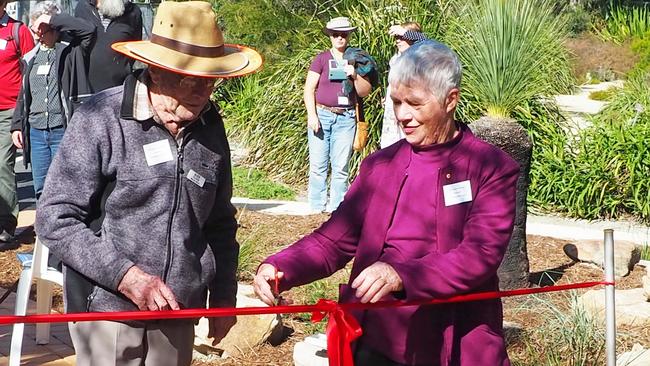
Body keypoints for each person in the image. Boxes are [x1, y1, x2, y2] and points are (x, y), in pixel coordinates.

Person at [254, 40, 519, 366]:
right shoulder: (380, 166)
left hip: (456, 341)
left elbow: (479, 255)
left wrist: (402, 275)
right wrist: (280, 267)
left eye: (415, 104)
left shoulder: (490, 167)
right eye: (396, 102)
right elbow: (334, 240)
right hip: (376, 341)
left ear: (450, 100)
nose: (403, 116)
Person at [34, 1, 262, 365]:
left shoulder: (210, 126)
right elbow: (54, 218)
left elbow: (219, 221)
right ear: (156, 72)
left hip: (177, 310)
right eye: (189, 78)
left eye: (210, 80)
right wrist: (126, 276)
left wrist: (222, 297)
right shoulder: (101, 118)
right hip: (107, 307)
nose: (202, 92)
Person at [11, 1, 95, 199]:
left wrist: (50, 18)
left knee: (65, 187)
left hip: (62, 130)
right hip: (36, 132)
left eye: (43, 29)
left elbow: (88, 30)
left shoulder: (71, 51)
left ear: (55, 27)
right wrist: (16, 125)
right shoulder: (31, 57)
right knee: (41, 188)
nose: (38, 35)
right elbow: (24, 94)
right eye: (35, 29)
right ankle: (44, 229)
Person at [304, 16, 376, 213]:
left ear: (349, 35)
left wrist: (354, 75)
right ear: (330, 36)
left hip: (346, 118)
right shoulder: (321, 59)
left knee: (340, 166)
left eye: (343, 34)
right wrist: (312, 115)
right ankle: (316, 207)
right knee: (318, 164)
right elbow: (309, 88)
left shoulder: (358, 58)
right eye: (335, 34)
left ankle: (338, 209)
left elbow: (364, 91)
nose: (339, 38)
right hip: (322, 114)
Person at [0, 0, 35, 248]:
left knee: (3, 163)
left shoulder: (17, 31)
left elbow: (31, 69)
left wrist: (22, 114)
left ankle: (6, 225)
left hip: (9, 108)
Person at [75, 0, 142, 92]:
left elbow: (135, 48)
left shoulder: (133, 12)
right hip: (86, 91)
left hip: (119, 90)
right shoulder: (82, 8)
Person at [380, 22, 427, 149]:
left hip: (409, 107)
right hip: (393, 109)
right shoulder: (395, 59)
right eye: (396, 37)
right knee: (391, 146)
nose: (398, 40)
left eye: (402, 37)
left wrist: (404, 32)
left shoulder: (419, 56)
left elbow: (425, 39)